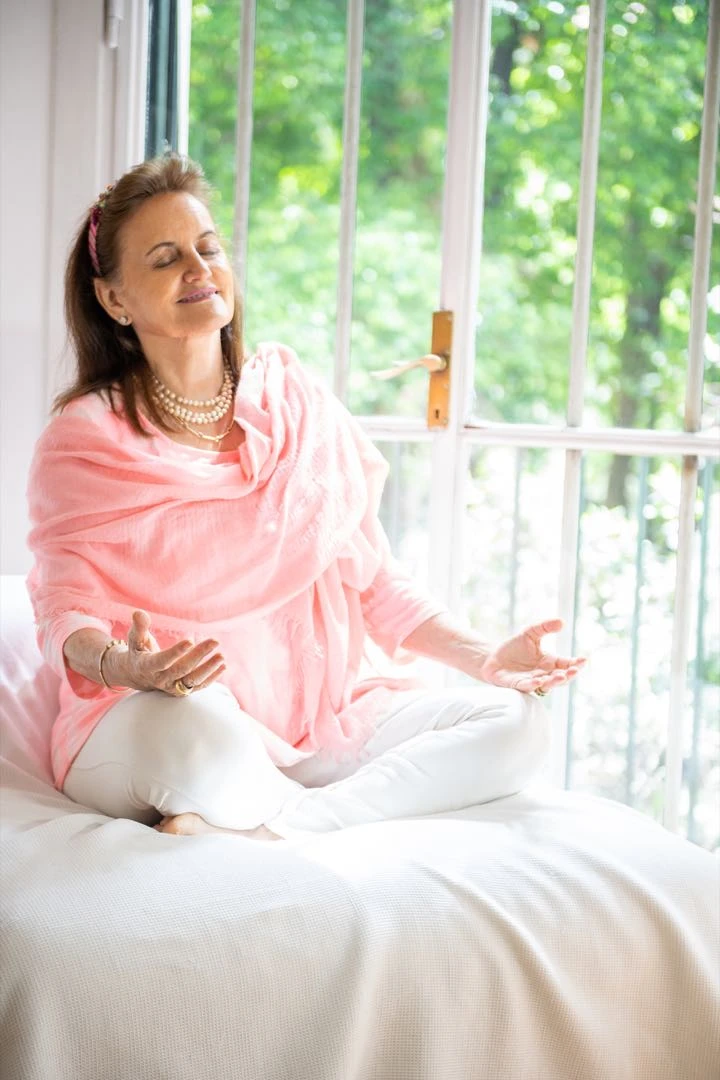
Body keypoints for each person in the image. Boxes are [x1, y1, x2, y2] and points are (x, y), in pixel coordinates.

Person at [26, 154, 586, 843]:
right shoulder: (86, 436)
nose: (199, 270)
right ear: (114, 299)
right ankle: (274, 810)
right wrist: (126, 666)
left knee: (516, 722)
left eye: (209, 249)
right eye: (166, 259)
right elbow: (63, 611)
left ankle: (270, 829)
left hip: (317, 725)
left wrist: (485, 657)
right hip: (163, 716)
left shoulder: (294, 404)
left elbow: (375, 584)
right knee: (200, 731)